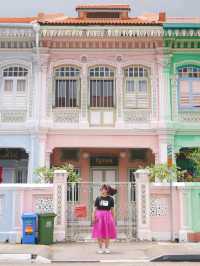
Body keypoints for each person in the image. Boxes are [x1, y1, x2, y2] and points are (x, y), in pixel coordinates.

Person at [92, 184, 117, 254]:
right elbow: (94, 209)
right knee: (99, 233)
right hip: (99, 217)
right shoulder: (98, 198)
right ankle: (100, 248)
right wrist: (93, 217)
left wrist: (113, 219)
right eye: (102, 189)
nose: (103, 190)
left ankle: (107, 248)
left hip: (107, 217)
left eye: (104, 189)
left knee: (107, 233)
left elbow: (112, 210)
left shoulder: (111, 199)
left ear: (107, 190)